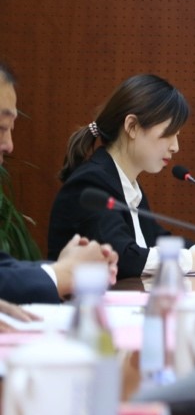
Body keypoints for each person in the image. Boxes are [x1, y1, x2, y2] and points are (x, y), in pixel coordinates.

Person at [48, 74, 195, 279]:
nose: (175, 147)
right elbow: (124, 257)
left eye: (177, 135)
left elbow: (158, 241)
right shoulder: (91, 183)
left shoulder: (128, 185)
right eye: (169, 133)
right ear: (132, 126)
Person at [0, 61, 119, 304]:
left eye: (11, 128)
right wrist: (64, 274)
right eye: (1, 127)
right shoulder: (93, 178)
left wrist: (66, 267)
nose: (10, 145)